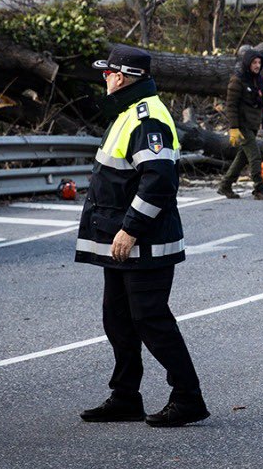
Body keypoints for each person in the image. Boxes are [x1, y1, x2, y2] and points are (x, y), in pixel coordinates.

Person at [78, 46, 209, 427]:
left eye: (108, 72)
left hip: (142, 241)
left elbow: (159, 182)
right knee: (117, 319)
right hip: (121, 240)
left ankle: (188, 397)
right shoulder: (126, 113)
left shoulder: (147, 118)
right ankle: (125, 396)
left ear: (120, 77)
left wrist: (130, 229)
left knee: (151, 320)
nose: (104, 78)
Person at [218, 47, 263, 200]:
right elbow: (231, 105)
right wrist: (234, 128)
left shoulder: (260, 81)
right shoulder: (237, 80)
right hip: (242, 125)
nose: (257, 65)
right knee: (255, 156)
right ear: (248, 63)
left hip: (253, 124)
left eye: (259, 62)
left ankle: (225, 185)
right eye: (254, 62)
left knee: (242, 157)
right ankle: (259, 188)